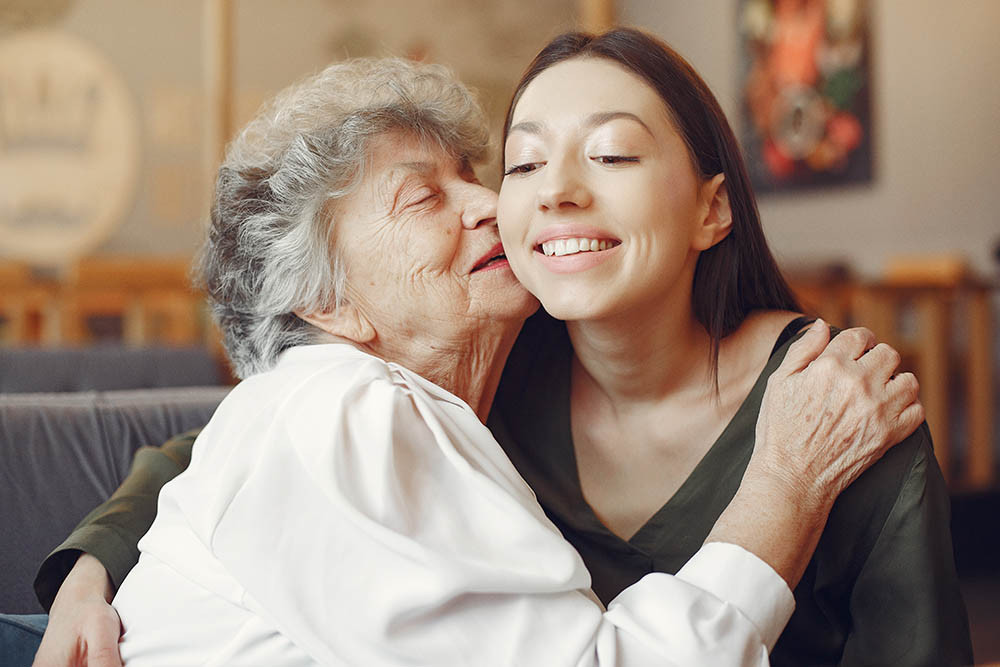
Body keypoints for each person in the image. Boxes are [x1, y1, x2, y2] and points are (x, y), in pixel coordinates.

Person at [28, 46, 924, 667]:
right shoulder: (339, 409)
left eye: (484, 173)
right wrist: (785, 485)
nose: (497, 203)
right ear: (331, 304)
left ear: (712, 209)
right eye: (425, 198)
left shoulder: (515, 348)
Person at [490, 28, 971, 666]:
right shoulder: (483, 407)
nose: (555, 191)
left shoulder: (840, 401)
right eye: (524, 164)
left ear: (711, 209)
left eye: (611, 154)